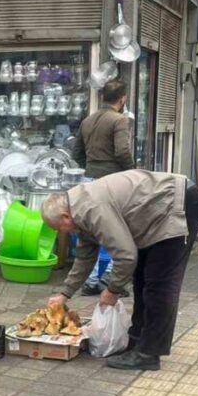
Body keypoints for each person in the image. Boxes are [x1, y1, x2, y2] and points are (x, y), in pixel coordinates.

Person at [42, 170, 198, 371]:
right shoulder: (79, 211)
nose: (61, 233)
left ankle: (149, 353)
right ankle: (137, 342)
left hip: (178, 206)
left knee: (159, 286)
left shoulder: (92, 208)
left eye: (58, 228)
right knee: (141, 280)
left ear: (65, 216)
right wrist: (64, 294)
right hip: (156, 214)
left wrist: (113, 290)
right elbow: (85, 257)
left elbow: (126, 256)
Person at [71, 79, 133, 296]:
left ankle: (90, 281)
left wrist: (90, 168)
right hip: (112, 183)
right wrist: (131, 173)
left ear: (102, 97)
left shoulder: (87, 121)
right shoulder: (119, 120)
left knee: (90, 234)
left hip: (89, 181)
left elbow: (76, 153)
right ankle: (111, 280)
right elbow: (122, 152)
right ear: (122, 99)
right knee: (119, 232)